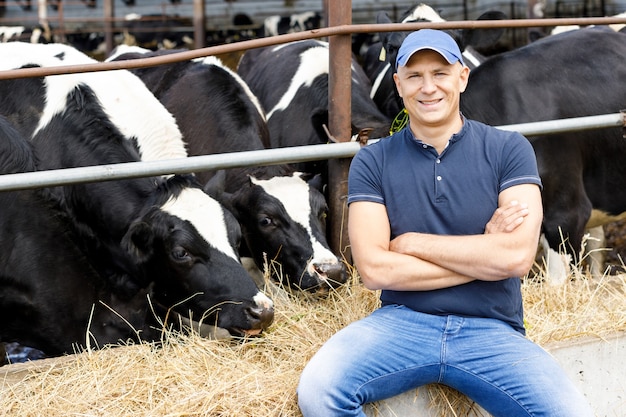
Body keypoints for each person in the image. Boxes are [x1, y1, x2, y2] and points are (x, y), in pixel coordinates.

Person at [297, 29, 593, 417]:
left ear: (462, 77)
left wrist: (410, 243)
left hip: (491, 331)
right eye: (415, 76)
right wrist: (483, 254)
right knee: (319, 392)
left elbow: (517, 259)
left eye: (440, 72)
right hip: (402, 326)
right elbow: (374, 268)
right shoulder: (373, 160)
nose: (428, 87)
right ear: (398, 84)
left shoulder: (509, 149)